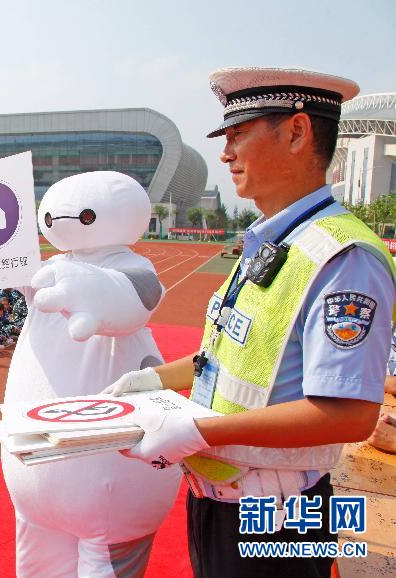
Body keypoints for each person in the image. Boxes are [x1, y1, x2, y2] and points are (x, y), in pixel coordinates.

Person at [102, 67, 394, 578]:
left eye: (239, 134)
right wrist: (150, 381)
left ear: (298, 132)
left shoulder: (342, 257)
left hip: (278, 519)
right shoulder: (275, 242)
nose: (225, 152)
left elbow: (348, 414)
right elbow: (229, 361)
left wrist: (197, 430)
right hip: (220, 502)